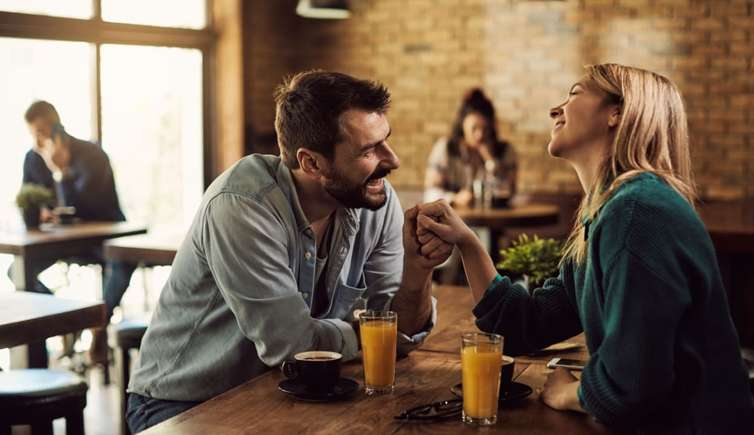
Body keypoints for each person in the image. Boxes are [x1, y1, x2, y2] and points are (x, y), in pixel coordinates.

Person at [415, 64, 754, 434]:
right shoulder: (609, 212)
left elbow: (630, 388)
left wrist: (568, 393)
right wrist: (468, 242)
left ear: (616, 113)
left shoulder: (637, 213)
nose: (555, 109)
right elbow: (524, 324)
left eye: (574, 93)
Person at [126, 71, 452, 433]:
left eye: (385, 141)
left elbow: (396, 337)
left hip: (286, 393)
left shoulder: (374, 198)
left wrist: (419, 271)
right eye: (367, 150)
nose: (392, 160)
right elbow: (293, 345)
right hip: (183, 404)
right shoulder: (243, 207)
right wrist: (371, 333)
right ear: (311, 163)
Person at [13, 100, 136, 364]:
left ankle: (98, 323)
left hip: (102, 238)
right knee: (18, 271)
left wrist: (61, 171)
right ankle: (68, 319)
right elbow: (28, 203)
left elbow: (91, 206)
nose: (37, 141)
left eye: (40, 133)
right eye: (32, 134)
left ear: (55, 126)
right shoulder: (32, 159)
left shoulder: (91, 154)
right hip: (62, 241)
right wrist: (40, 211)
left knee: (123, 260)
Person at [424, 88, 517, 208]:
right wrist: (454, 198)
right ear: (462, 125)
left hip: (492, 223)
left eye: (485, 129)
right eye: (474, 128)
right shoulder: (446, 148)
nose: (480, 135)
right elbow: (430, 193)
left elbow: (509, 192)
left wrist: (490, 161)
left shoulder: (505, 151)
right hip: (451, 222)